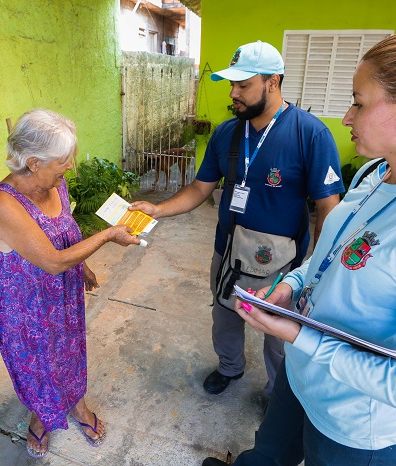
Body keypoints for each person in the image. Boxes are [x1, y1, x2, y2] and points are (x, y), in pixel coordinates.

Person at [202, 3, 396, 465]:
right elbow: (330, 253)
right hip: (304, 378)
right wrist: (291, 285)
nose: (347, 117)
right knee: (268, 452)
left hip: (355, 425)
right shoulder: (376, 175)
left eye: (358, 101)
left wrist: (303, 338)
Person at [130, 40, 344, 398]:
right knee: (225, 315)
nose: (233, 93)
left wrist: (313, 272)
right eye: (232, 84)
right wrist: (158, 209)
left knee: (277, 333)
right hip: (228, 250)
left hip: (283, 261)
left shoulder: (310, 133)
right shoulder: (227, 132)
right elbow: (200, 188)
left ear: (273, 82)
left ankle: (278, 390)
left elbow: (328, 209)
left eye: (243, 85)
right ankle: (230, 366)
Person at [0, 109, 141, 458]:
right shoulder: (3, 204)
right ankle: (42, 416)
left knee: (69, 352)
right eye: (63, 160)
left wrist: (81, 265)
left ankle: (78, 406)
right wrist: (109, 235)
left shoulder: (55, 184)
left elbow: (65, 235)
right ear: (35, 162)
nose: (69, 166)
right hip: (23, 303)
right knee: (37, 364)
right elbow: (52, 261)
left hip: (61, 293)